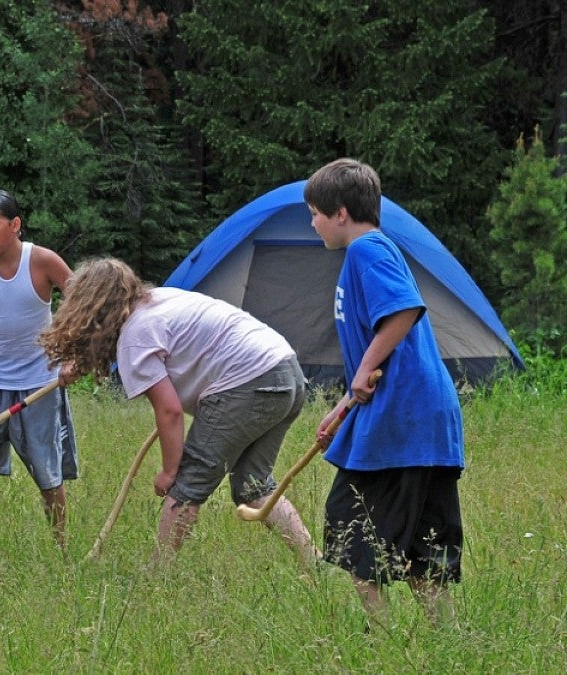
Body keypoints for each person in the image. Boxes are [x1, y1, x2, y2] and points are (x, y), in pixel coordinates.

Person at [39, 257, 319, 568]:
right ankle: (315, 562)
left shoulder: (135, 336)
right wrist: (84, 360)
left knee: (187, 483)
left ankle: (157, 577)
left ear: (91, 309)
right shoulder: (157, 301)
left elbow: (169, 410)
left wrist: (170, 472)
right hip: (286, 373)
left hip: (249, 381)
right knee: (254, 485)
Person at [306, 158, 464, 627]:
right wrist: (344, 407)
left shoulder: (367, 250)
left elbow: (403, 312)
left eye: (314, 212)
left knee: (354, 533)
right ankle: (447, 643)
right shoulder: (377, 250)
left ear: (339, 212)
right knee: (422, 551)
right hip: (423, 422)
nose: (311, 223)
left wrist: (364, 371)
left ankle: (382, 644)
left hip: (403, 424)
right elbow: (388, 352)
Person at [0, 190, 77, 551]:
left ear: (15, 225)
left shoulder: (43, 261)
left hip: (40, 382)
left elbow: (83, 304)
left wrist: (73, 356)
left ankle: (61, 548)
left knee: (47, 471)